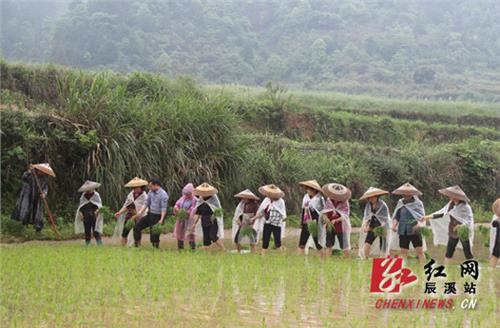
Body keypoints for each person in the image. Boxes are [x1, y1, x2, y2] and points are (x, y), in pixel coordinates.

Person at [423, 185, 474, 265]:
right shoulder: (450, 204)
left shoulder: (465, 207)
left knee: (467, 252)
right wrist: (428, 217)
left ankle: (472, 267)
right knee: (449, 251)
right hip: (453, 230)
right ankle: (445, 269)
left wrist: (462, 225)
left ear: (458, 197)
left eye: (453, 196)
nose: (450, 197)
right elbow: (442, 213)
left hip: (462, 231)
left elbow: (469, 220)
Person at [12, 163, 55, 232]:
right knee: (26, 210)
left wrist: (44, 193)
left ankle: (38, 230)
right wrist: (29, 171)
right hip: (28, 196)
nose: (41, 172)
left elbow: (45, 188)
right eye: (40, 170)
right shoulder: (31, 175)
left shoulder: (45, 179)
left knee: (38, 214)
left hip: (38, 198)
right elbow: (24, 178)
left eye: (43, 172)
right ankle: (24, 227)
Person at [390, 183, 427, 263]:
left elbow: (422, 217)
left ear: (412, 194)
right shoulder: (400, 203)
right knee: (403, 252)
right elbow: (397, 216)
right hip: (403, 230)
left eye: (408, 194)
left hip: (415, 231)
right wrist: (394, 225)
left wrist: (419, 225)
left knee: (420, 252)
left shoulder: (418, 203)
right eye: (404, 193)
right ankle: (403, 271)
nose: (406, 195)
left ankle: (422, 271)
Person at [252, 184, 287, 254]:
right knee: (265, 240)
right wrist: (254, 217)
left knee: (277, 243)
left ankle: (283, 254)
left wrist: (283, 219)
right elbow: (262, 212)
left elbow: (283, 213)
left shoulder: (280, 202)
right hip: (267, 223)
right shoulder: (266, 200)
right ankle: (263, 255)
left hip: (276, 224)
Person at [358, 187, 392, 259]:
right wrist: (366, 226)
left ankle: (382, 259)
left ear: (376, 196)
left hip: (382, 226)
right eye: (370, 197)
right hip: (372, 226)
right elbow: (367, 217)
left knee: (383, 244)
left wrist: (382, 226)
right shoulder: (368, 205)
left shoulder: (383, 205)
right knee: (367, 243)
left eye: (373, 197)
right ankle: (365, 259)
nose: (371, 199)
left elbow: (385, 218)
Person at [113, 177, 148, 246]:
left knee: (137, 231)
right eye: (134, 188)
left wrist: (138, 214)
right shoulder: (131, 194)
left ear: (141, 187)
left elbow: (145, 207)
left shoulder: (144, 196)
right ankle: (123, 246)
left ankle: (138, 245)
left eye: (137, 187)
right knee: (125, 231)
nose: (135, 189)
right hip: (129, 215)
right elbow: (126, 205)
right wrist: (119, 212)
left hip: (138, 216)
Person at [134, 178, 168, 248]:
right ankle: (137, 245)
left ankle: (155, 249)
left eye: (151, 186)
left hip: (158, 216)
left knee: (154, 234)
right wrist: (140, 212)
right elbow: (146, 203)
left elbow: (163, 208)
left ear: (156, 185)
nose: (149, 188)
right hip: (150, 214)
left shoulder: (163, 194)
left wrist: (161, 219)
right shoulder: (150, 192)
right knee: (137, 226)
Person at [191, 183, 225, 250]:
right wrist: (194, 223)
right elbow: (198, 213)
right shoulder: (200, 200)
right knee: (206, 240)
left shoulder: (214, 199)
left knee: (213, 236)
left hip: (213, 221)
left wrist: (214, 216)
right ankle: (208, 255)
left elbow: (219, 210)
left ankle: (224, 249)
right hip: (204, 221)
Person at [321, 183, 352, 258]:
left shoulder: (344, 202)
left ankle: (348, 262)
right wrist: (326, 219)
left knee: (344, 245)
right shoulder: (329, 201)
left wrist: (336, 220)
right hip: (330, 226)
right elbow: (324, 212)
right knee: (328, 244)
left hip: (341, 227)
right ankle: (327, 262)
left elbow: (345, 215)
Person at [297, 180, 325, 255]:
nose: (308, 190)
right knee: (302, 242)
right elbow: (303, 209)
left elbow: (322, 211)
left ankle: (323, 260)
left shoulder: (320, 198)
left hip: (315, 221)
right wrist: (302, 222)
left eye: (309, 189)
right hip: (306, 221)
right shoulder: (306, 197)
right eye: (307, 189)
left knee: (317, 243)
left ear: (314, 190)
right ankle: (299, 260)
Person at [74, 180, 104, 245]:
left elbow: (99, 205)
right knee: (87, 230)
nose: (88, 190)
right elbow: (81, 206)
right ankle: (87, 244)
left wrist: (97, 211)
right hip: (86, 214)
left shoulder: (96, 195)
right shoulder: (83, 195)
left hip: (94, 214)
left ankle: (99, 244)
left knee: (95, 230)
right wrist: (81, 214)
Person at [231, 189, 260, 253]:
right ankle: (239, 252)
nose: (243, 198)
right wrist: (239, 220)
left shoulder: (255, 205)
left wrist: (253, 220)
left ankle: (253, 253)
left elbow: (258, 214)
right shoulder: (244, 204)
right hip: (243, 223)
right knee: (237, 239)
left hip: (250, 224)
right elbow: (241, 214)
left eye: (245, 197)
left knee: (252, 240)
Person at [172, 183, 198, 250]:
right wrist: (176, 208)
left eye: (188, 194)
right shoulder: (183, 198)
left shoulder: (195, 200)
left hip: (189, 220)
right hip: (181, 219)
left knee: (190, 234)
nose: (186, 195)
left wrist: (185, 211)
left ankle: (192, 249)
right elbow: (177, 204)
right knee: (179, 233)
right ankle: (180, 249)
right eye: (185, 194)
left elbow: (193, 210)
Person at [490, 198, 500, 268]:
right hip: (498, 242)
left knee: (495, 256)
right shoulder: (496, 219)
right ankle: (492, 271)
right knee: (495, 256)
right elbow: (493, 224)